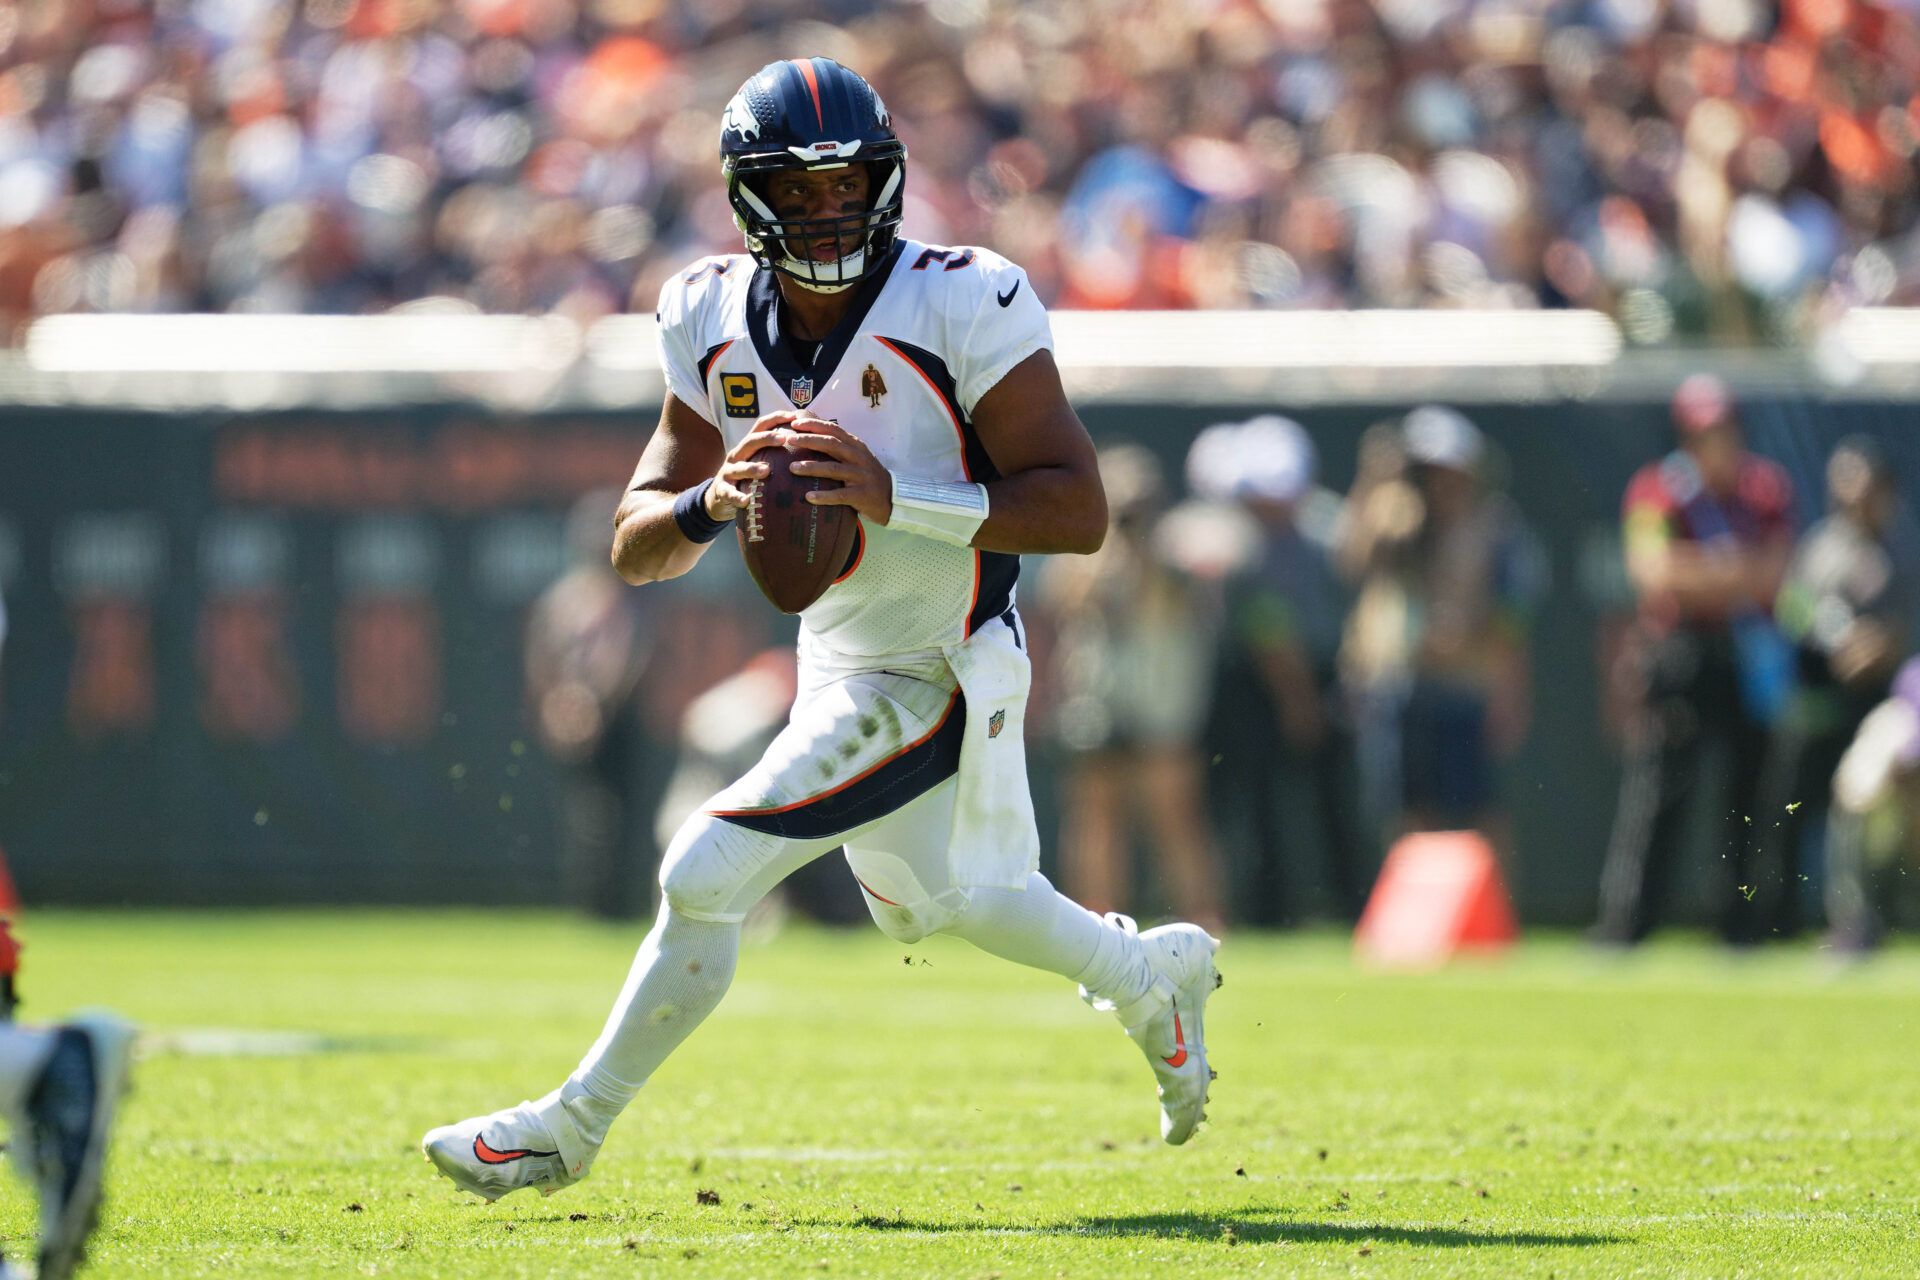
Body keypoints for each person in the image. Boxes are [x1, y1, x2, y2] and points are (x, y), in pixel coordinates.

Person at [422, 58, 1223, 1203]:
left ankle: (568, 1126)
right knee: (947, 902)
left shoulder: (961, 297)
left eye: (846, 184)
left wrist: (894, 494)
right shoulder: (705, 313)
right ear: (749, 201)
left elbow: (1078, 511)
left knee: (706, 865)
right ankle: (1152, 973)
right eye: (796, 193)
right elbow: (636, 540)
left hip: (946, 660)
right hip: (840, 657)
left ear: (886, 179)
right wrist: (714, 499)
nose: (827, 209)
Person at [1592, 375, 1795, 946]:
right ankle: (1628, 924)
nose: (1715, 444)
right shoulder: (1657, 490)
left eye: (1724, 430)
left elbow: (1774, 573)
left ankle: (1743, 924)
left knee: (1750, 797)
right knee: (1659, 792)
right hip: (1681, 654)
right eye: (1704, 433)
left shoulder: (1766, 489)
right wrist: (1732, 571)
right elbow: (1652, 572)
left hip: (1748, 658)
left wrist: (1703, 572)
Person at [1036, 446, 1226, 931]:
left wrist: (1145, 550)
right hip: (1098, 703)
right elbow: (1061, 601)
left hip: (1161, 704)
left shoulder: (1177, 553)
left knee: (1175, 816)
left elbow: (1186, 600)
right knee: (1096, 817)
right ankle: (1097, 922)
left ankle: (1204, 919)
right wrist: (1106, 549)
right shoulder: (1083, 552)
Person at [1338, 408, 1542, 853]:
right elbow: (1351, 562)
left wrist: (1507, 691)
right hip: (1402, 686)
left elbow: (1513, 620)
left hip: (1466, 686)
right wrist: (1375, 481)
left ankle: (1495, 910)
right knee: (1409, 810)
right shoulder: (1397, 522)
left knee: (1478, 810)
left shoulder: (1495, 528)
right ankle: (1416, 914)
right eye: (1427, 472)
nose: (1439, 482)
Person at [1755, 438, 1918, 940]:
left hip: (1878, 707)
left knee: (1867, 813)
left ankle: (1867, 920)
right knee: (1787, 813)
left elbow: (1899, 630)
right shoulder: (1821, 547)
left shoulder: (1897, 554)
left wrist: (1880, 643)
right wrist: (1839, 643)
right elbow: (1794, 609)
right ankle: (1771, 922)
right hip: (1817, 706)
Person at [525, 490, 655, 919]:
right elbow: (543, 655)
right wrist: (558, 706)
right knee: (589, 816)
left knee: (623, 814)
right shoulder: (569, 597)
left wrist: (603, 702)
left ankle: (622, 901)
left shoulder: (628, 595)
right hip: (578, 718)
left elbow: (632, 657)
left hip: (618, 718)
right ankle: (593, 902)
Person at [1826, 656, 1920, 952]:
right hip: (1888, 791)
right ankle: (1856, 925)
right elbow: (1902, 759)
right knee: (1859, 802)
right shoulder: (1912, 678)